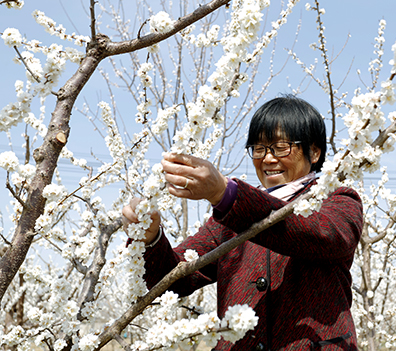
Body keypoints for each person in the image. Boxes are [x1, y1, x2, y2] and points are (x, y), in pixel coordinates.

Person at [122, 95, 363, 350]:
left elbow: (320, 235)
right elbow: (177, 277)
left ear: (314, 151)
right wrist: (151, 239)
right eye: (259, 149)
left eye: (281, 147)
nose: (268, 159)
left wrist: (226, 195)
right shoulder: (228, 218)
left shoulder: (337, 200)